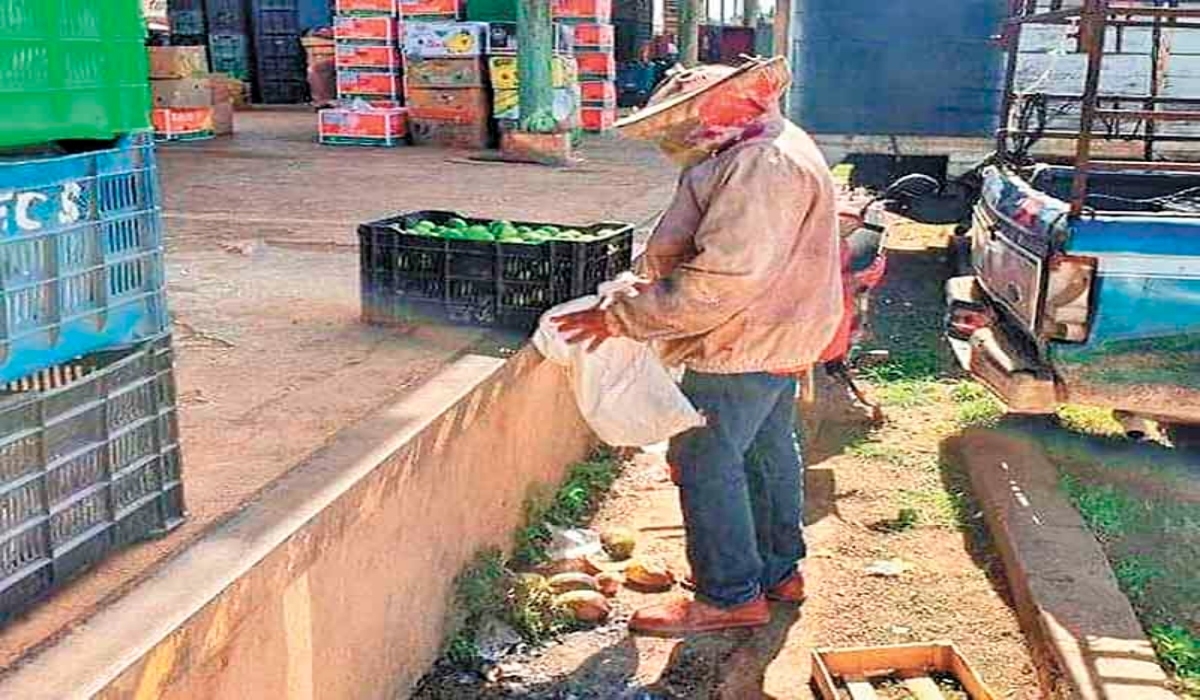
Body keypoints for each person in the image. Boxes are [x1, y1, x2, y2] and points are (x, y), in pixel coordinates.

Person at [554, 58, 844, 635]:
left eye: (691, 119)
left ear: (736, 104)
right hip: (777, 330)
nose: (683, 134)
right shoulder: (761, 145)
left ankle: (729, 594)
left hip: (746, 335)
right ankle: (777, 571)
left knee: (704, 458)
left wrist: (626, 318)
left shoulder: (762, 163)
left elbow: (725, 279)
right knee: (765, 448)